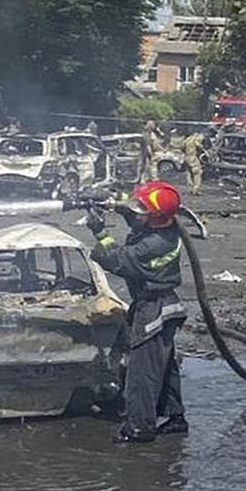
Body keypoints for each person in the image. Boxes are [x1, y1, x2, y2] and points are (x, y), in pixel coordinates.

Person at [86, 180, 189, 444]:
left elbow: (118, 259)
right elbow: (138, 217)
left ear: (155, 217)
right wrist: (113, 204)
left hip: (153, 309)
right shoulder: (163, 227)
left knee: (142, 371)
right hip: (165, 305)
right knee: (164, 367)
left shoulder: (154, 245)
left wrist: (99, 232)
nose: (137, 212)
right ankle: (175, 417)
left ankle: (140, 427)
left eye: (142, 209)